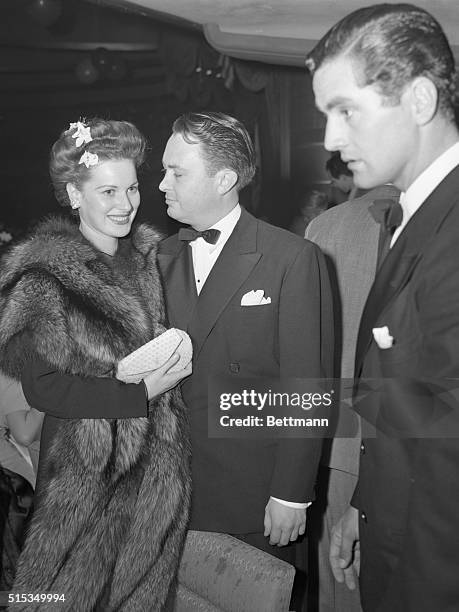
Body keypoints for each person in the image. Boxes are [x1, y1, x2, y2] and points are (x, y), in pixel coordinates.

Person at [0, 118, 192, 610]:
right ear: (74, 193)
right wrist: (138, 393)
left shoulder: (155, 258)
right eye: (107, 190)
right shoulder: (43, 274)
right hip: (83, 485)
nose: (125, 204)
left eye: (131, 188)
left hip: (157, 486)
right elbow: (43, 388)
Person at [306, 3, 459, 611]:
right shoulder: (419, 214)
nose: (330, 140)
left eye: (346, 111)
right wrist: (366, 510)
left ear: (419, 101)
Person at [156, 111, 334, 608]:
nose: (162, 183)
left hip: (254, 498)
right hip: (170, 499)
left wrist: (292, 492)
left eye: (177, 172)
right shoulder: (157, 258)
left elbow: (307, 386)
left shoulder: (292, 257)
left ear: (224, 179)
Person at [305, 183, 400, 612]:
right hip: (421, 443)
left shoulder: (327, 227)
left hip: (337, 447)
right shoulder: (436, 216)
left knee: (338, 592)